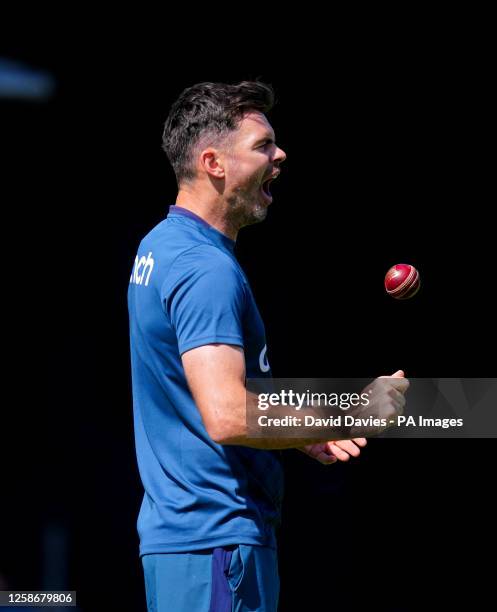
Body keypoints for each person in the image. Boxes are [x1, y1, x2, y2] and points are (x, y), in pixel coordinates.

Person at [127, 81, 409, 611]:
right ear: (213, 162)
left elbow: (198, 396)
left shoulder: (159, 245)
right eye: (262, 145)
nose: (280, 155)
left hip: (186, 543)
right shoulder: (204, 267)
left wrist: (294, 433)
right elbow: (228, 415)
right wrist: (353, 411)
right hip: (218, 543)